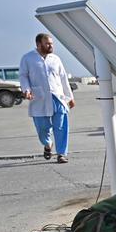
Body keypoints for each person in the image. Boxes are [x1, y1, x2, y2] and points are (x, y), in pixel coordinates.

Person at [19, 33, 75, 164]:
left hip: (58, 97)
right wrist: (26, 90)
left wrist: (70, 97)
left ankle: (62, 153)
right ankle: (47, 144)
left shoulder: (55, 59)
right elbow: (23, 76)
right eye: (47, 43)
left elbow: (63, 78)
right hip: (39, 98)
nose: (51, 46)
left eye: (51, 43)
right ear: (38, 44)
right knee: (43, 129)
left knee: (61, 126)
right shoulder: (28, 58)